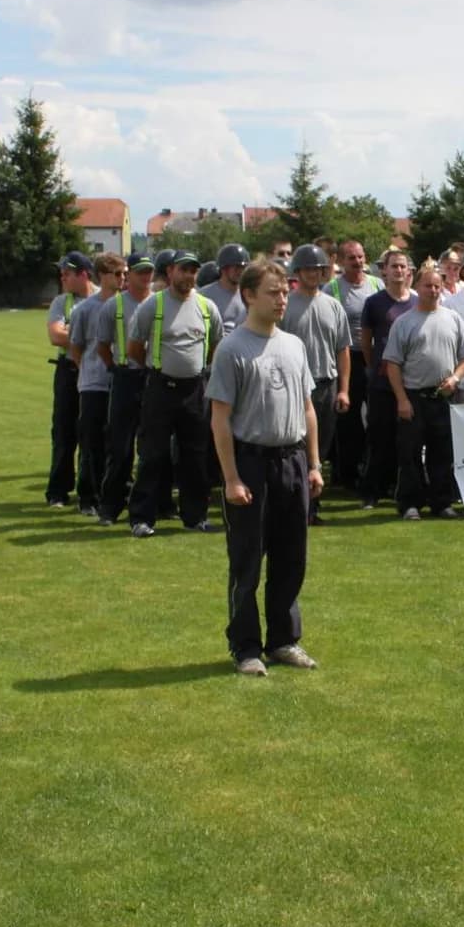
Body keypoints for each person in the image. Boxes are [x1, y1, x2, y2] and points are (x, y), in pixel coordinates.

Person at [207, 259, 321, 677]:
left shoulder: (294, 345)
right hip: (251, 462)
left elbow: (308, 409)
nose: (282, 299)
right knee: (247, 560)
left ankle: (284, 640)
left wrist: (314, 463)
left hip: (292, 461)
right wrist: (232, 478)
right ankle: (245, 647)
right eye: (273, 292)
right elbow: (220, 418)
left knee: (292, 558)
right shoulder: (232, 349)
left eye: (284, 292)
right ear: (249, 295)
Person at [124, 251, 220, 536]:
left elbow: (215, 344)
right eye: (183, 270)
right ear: (170, 272)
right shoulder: (153, 306)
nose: (189, 276)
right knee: (153, 454)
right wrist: (157, 368)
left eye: (193, 270)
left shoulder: (206, 307)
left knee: (195, 455)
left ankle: (195, 516)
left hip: (195, 389)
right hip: (160, 388)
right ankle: (142, 518)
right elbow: (133, 348)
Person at [383, 261, 464, 521]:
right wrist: (401, 399)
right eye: (427, 285)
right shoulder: (404, 322)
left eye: (437, 286)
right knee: (410, 454)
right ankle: (410, 503)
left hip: (443, 397)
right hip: (413, 397)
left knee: (442, 453)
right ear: (417, 286)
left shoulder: (454, 319)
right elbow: (393, 364)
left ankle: (441, 502)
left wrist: (456, 378)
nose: (432, 290)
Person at [281, 244, 352, 525]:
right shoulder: (286, 304)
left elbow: (343, 350)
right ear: (298, 272)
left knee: (319, 449)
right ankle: (292, 504)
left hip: (326, 384)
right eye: (308, 268)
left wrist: (344, 389)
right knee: (293, 446)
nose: (313, 273)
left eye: (318, 269)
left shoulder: (333, 306)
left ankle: (312, 506)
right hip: (294, 388)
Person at [94, 254, 155, 525]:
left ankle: (152, 504)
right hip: (125, 377)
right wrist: (117, 369)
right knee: (119, 447)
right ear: (128, 275)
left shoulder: (160, 302)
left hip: (153, 377)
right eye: (140, 272)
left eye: (149, 272)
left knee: (152, 447)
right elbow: (102, 345)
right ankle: (110, 507)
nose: (145, 277)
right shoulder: (114, 306)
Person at [356, 249, 416, 509]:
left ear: (409, 271)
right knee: (378, 439)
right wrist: (374, 366)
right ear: (385, 271)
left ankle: (399, 488)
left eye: (403, 267)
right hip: (381, 383)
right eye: (394, 267)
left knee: (406, 441)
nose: (399, 271)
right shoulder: (374, 302)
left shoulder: (415, 301)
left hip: (409, 381)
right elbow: (366, 341)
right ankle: (371, 492)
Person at [68, 253, 124, 514]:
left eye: (124, 274)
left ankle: (111, 493)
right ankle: (87, 496)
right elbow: (76, 347)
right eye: (117, 274)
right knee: (91, 442)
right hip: (93, 383)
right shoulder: (84, 309)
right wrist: (88, 372)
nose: (122, 279)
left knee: (116, 442)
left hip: (120, 382)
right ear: (102, 275)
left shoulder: (127, 306)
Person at [327, 239, 384, 489]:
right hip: (347, 357)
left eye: (361, 257)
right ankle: (347, 473)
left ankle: (374, 470)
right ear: (340, 261)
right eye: (352, 258)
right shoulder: (332, 289)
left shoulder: (376, 285)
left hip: (374, 358)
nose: (358, 262)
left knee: (377, 417)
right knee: (348, 421)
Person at [44, 251, 94, 506]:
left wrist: (72, 332)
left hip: (95, 371)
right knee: (63, 432)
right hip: (67, 371)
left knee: (93, 433)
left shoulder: (102, 298)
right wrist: (88, 336)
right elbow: (55, 335)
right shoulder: (61, 302)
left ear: (83, 274)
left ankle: (91, 490)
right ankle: (58, 491)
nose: (62, 277)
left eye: (67, 273)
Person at [197, 243, 249, 331]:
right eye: (236, 268)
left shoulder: (250, 294)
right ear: (224, 269)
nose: (240, 271)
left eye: (243, 268)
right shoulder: (204, 295)